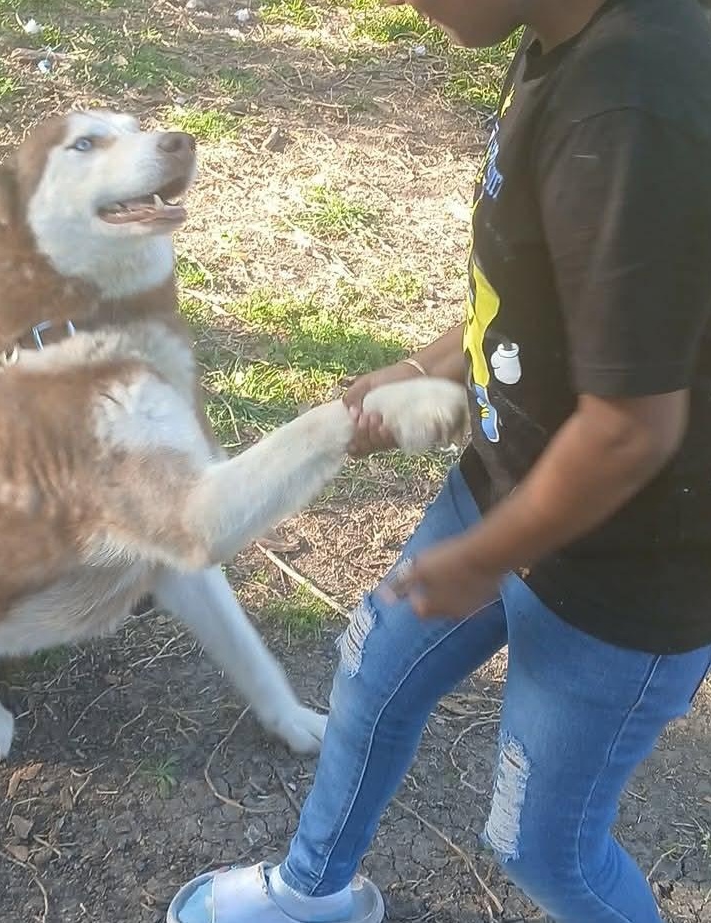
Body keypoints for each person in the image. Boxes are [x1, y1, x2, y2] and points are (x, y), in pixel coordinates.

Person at [167, 1, 711, 920]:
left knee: (545, 848)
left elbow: (630, 427)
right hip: (499, 487)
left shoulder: (631, 108)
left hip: (628, 570)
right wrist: (427, 366)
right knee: (370, 675)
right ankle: (314, 892)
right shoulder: (551, 37)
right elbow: (538, 289)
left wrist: (484, 556)